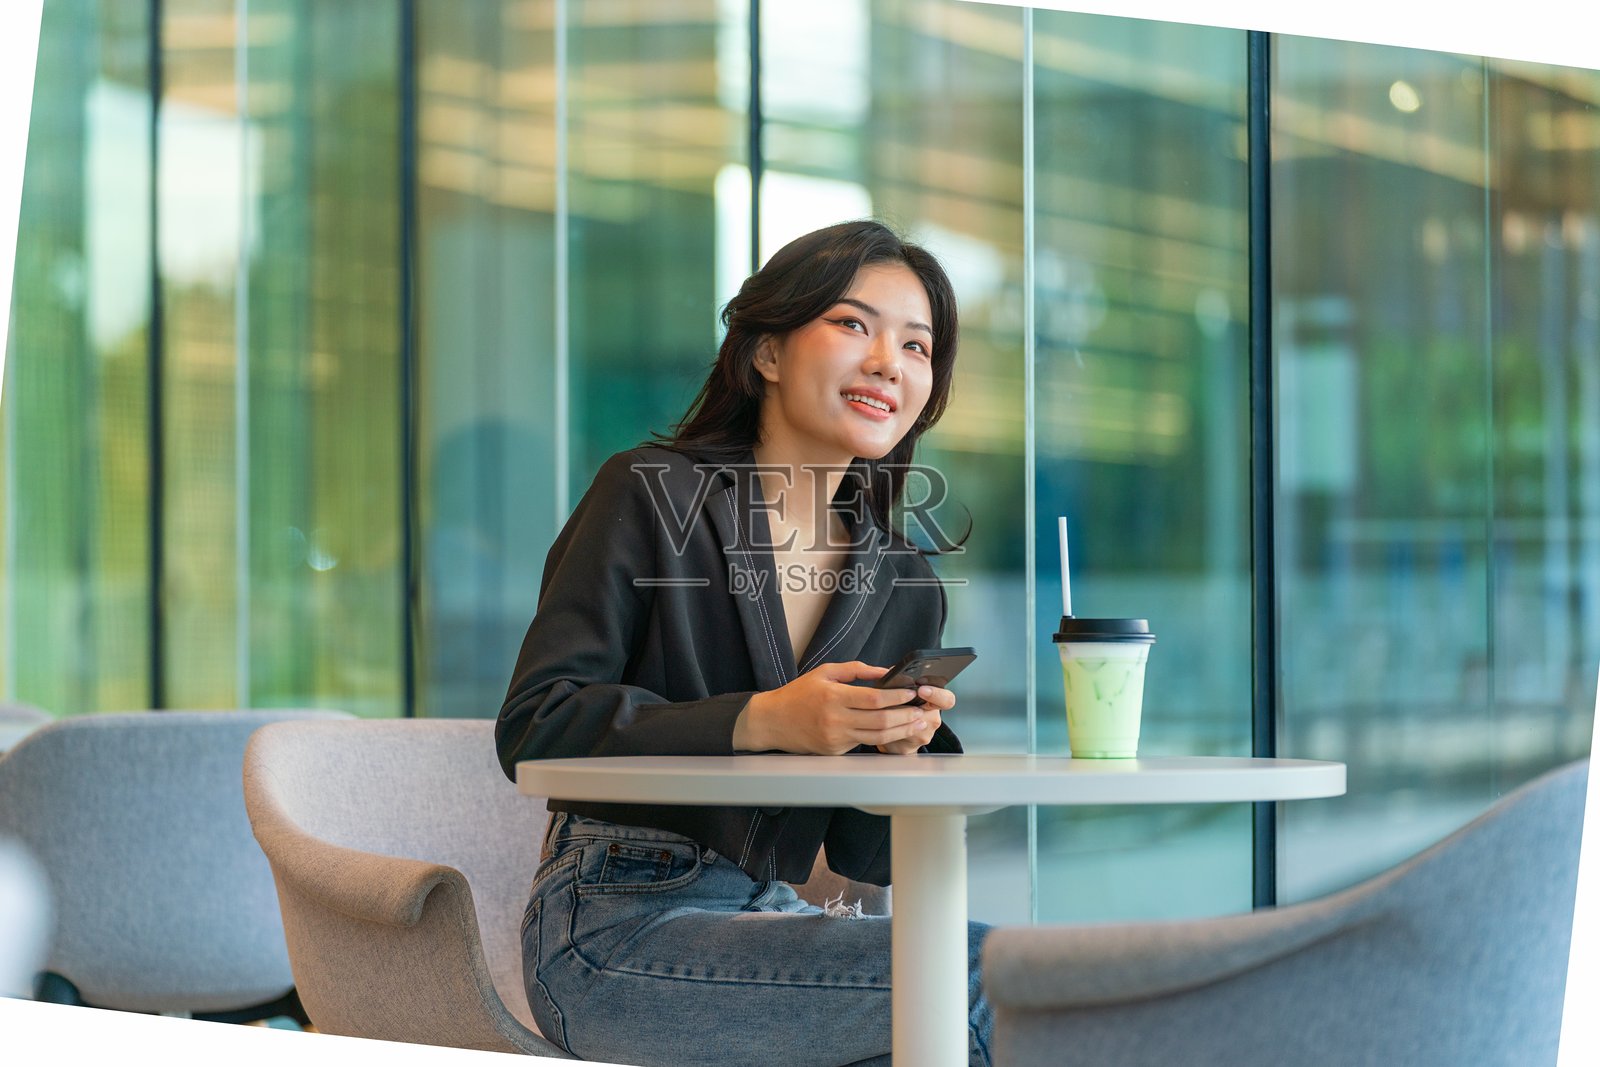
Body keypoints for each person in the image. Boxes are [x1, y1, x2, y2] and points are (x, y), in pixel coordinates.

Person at [497, 219, 991, 1066]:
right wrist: (763, 719)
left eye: (917, 346)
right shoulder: (649, 494)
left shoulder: (903, 580)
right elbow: (535, 725)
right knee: (994, 978)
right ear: (766, 352)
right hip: (609, 924)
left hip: (768, 915)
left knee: (988, 990)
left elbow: (864, 851)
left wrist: (902, 747)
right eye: (853, 323)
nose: (889, 362)